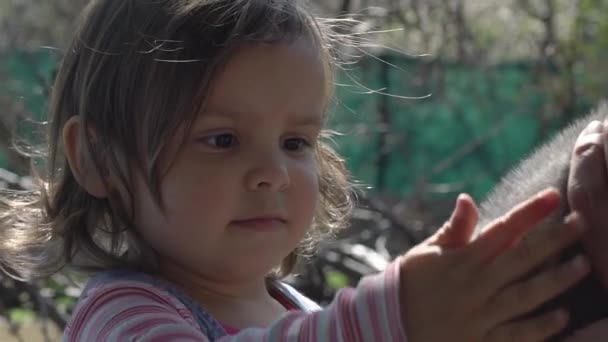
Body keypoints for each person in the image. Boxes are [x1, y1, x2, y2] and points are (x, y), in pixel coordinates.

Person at [0, 0, 593, 340]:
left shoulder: (302, 314)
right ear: (101, 160)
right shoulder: (122, 316)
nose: (272, 173)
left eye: (294, 141)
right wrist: (399, 317)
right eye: (223, 139)